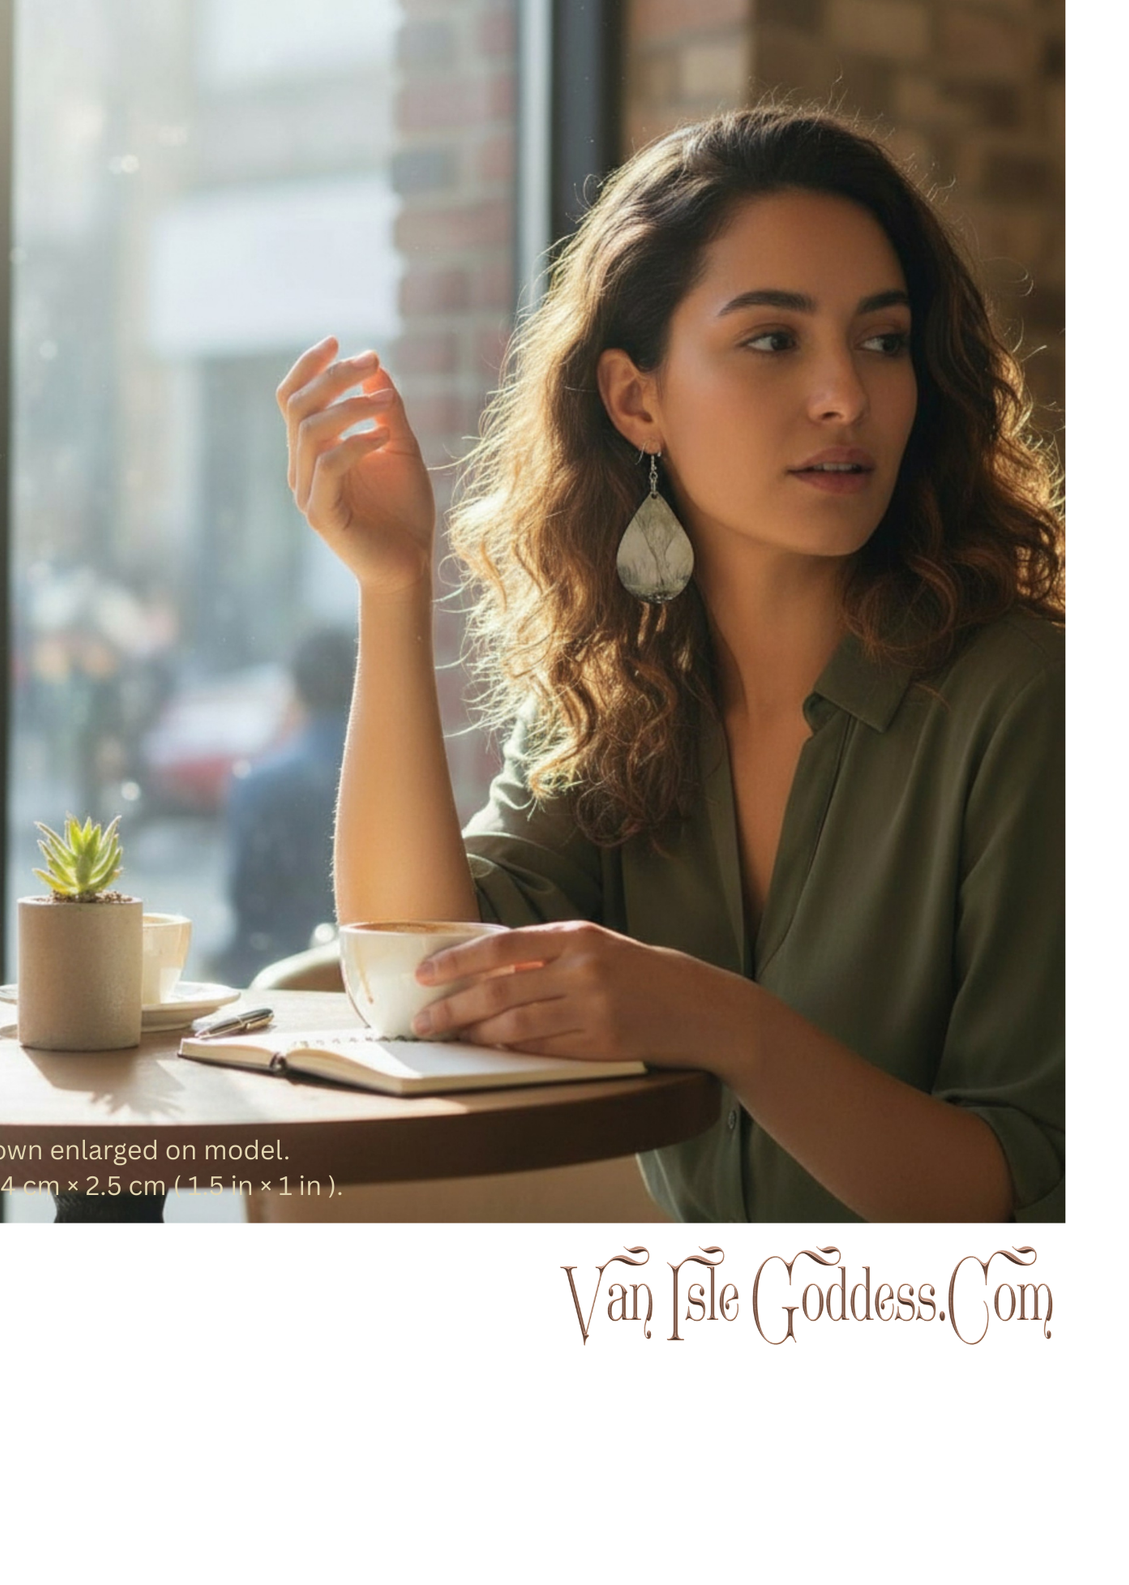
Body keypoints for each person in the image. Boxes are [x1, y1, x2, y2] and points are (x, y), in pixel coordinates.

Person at [277, 103, 1063, 1222]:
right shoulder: (621, 703)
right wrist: (392, 583)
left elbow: (1010, 1188)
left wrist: (720, 1023)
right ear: (634, 398)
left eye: (880, 339)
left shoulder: (1026, 702)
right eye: (771, 339)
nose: (844, 391)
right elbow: (415, 975)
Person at [220, 625, 357, 984]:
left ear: (296, 691)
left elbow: (247, 905)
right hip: (375, 979)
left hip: (278, 980)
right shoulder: (398, 779)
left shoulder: (258, 784)